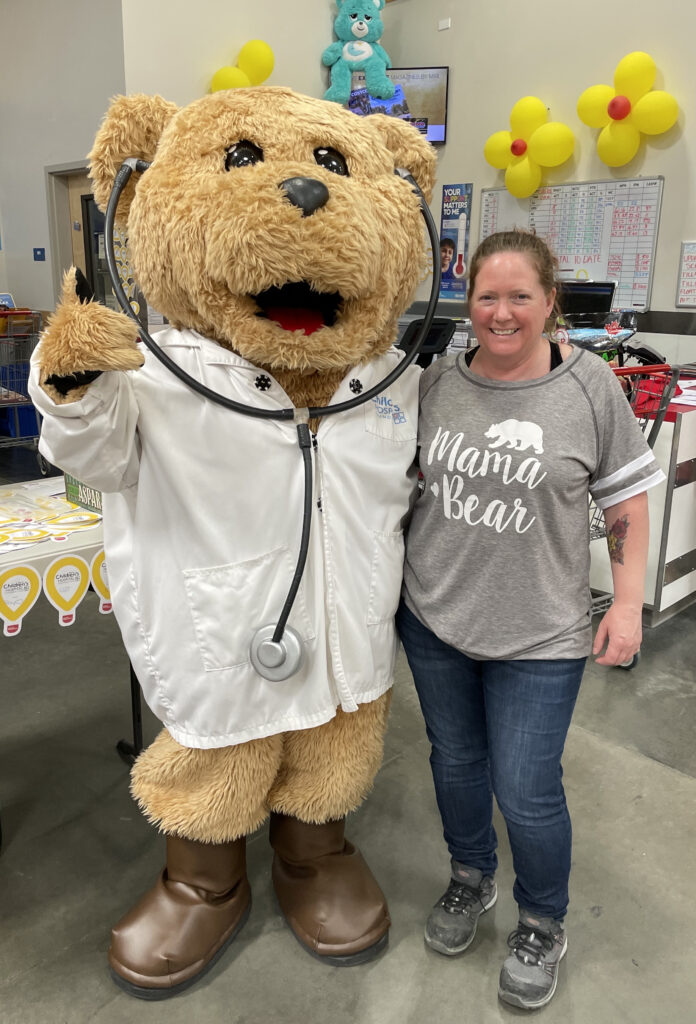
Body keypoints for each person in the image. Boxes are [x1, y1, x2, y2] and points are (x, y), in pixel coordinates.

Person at [397, 229, 664, 1011]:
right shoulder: (437, 382)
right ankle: (470, 876)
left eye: (520, 296)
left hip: (541, 634)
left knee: (526, 787)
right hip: (435, 618)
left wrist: (626, 604)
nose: (503, 312)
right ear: (468, 303)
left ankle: (542, 920)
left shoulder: (589, 387)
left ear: (551, 302)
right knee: (455, 763)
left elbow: (625, 500)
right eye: (488, 296)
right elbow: (403, 485)